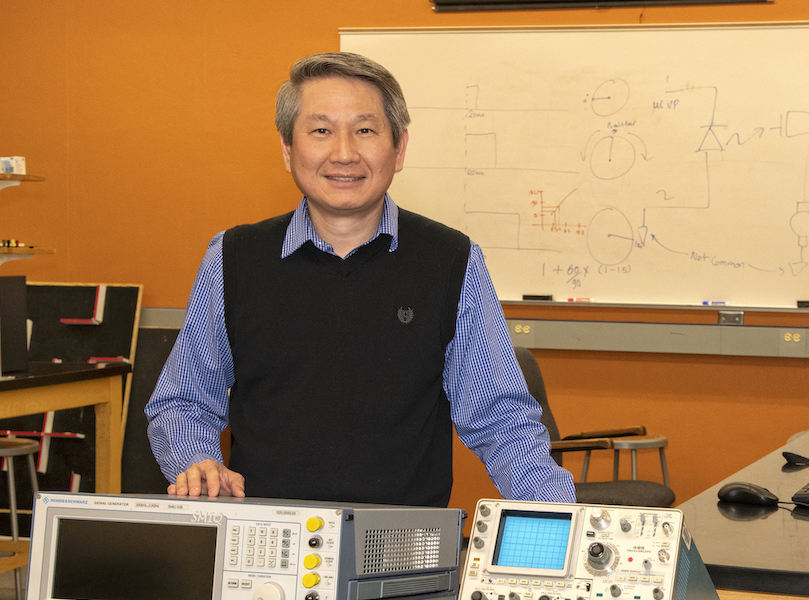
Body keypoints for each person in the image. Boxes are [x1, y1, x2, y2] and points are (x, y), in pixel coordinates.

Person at [146, 51, 576, 507]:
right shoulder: (233, 258)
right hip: (270, 547)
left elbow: (500, 419)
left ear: (400, 148)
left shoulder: (451, 260)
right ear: (288, 149)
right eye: (321, 130)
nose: (344, 153)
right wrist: (196, 461)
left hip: (407, 552)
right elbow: (183, 402)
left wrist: (560, 518)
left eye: (365, 130)